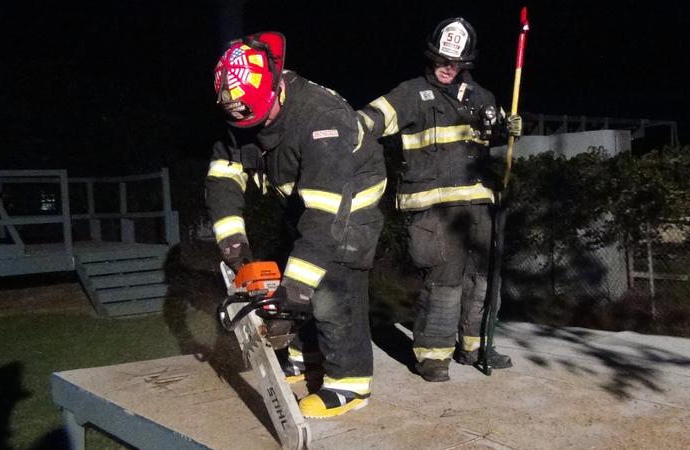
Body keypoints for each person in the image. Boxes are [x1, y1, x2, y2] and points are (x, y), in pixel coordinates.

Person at [205, 32, 386, 417]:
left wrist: (298, 288)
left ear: (276, 88)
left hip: (349, 201)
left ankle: (349, 384)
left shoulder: (321, 118)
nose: (251, 130)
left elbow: (325, 217)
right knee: (293, 271)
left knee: (332, 282)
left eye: (261, 119)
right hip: (304, 198)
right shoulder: (241, 107)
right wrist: (232, 240)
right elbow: (223, 174)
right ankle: (308, 357)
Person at [359, 17, 521, 382]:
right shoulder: (411, 93)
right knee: (444, 280)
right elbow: (371, 119)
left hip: (480, 204)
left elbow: (489, 139)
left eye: (456, 63)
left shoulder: (483, 97)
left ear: (465, 63)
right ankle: (433, 356)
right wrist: (340, 133)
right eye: (441, 61)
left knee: (485, 278)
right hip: (434, 209)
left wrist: (506, 129)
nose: (447, 69)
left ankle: (476, 346)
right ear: (431, 57)